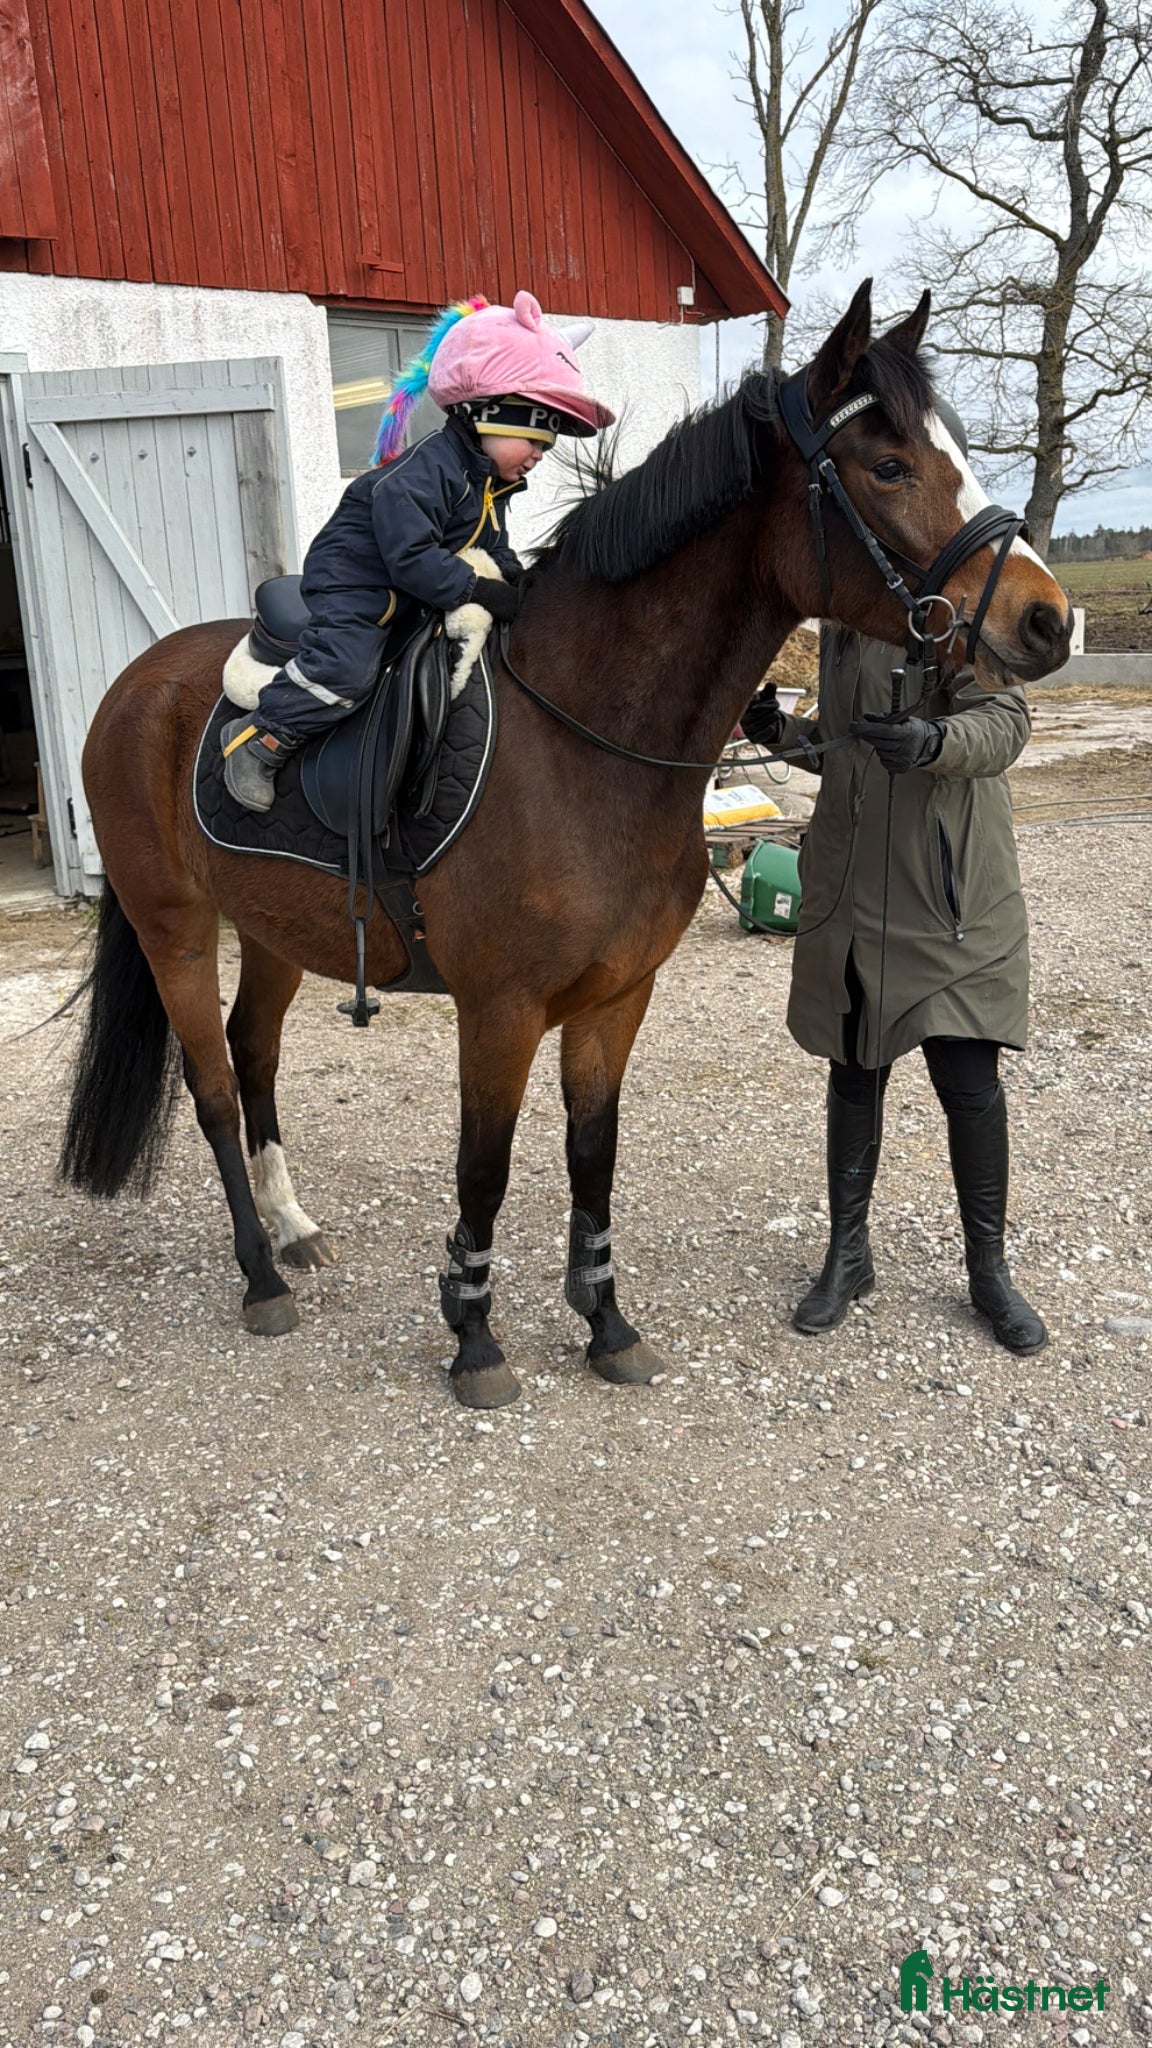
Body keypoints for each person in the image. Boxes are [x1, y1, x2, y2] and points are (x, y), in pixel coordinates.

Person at [742, 406, 1046, 1356]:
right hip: (851, 892)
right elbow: (842, 749)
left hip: (947, 895)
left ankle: (989, 1272)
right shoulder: (847, 623)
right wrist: (784, 736)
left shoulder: (956, 603)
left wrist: (933, 741)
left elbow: (1007, 727)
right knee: (854, 1076)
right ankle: (849, 1255)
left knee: (968, 1082)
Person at [223, 291, 614, 812]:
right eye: (535, 436)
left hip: (407, 586)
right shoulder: (424, 473)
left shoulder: (486, 482)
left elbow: (489, 543)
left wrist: (520, 580)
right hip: (357, 582)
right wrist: (479, 590)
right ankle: (263, 735)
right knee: (347, 669)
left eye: (550, 443)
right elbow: (410, 557)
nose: (541, 454)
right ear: (487, 414)